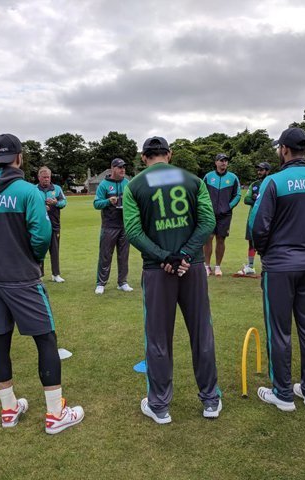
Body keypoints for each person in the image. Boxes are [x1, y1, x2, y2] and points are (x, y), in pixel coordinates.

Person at [0, 133, 83, 432]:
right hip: (22, 278)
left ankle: (9, 409)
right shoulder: (29, 192)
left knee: (0, 340)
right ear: (18, 157)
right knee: (46, 340)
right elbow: (41, 235)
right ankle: (55, 414)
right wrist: (30, 258)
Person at [123, 136, 221, 424]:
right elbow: (208, 222)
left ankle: (160, 406)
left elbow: (133, 231)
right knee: (202, 333)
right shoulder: (193, 180)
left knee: (158, 338)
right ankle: (210, 400)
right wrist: (186, 255)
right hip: (192, 267)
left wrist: (166, 257)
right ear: (170, 154)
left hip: (158, 270)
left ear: (144, 157)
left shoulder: (134, 185)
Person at [249, 127, 305, 411]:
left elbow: (258, 226)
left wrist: (267, 252)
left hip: (279, 265)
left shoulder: (273, 181)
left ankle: (283, 393)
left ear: (284, 149)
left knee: (279, 330)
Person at [93, 158, 133, 294]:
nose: (122, 170)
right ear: (112, 169)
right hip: (109, 225)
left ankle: (123, 282)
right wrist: (108, 201)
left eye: (124, 167)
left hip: (124, 225)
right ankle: (101, 283)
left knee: (124, 255)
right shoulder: (104, 185)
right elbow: (96, 204)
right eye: (120, 167)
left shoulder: (127, 183)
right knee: (105, 255)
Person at [203, 153, 241, 276]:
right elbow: (202, 193)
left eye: (225, 160)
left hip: (225, 215)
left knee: (221, 239)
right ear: (216, 162)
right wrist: (206, 207)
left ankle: (218, 267)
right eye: (221, 160)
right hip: (209, 214)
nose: (224, 162)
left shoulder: (233, 177)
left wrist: (228, 207)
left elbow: (238, 195)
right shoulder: (208, 177)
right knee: (208, 238)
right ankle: (207, 266)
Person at [236, 162, 270, 276]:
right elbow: (246, 199)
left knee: (267, 243)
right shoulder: (254, 184)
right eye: (258, 170)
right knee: (251, 242)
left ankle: (267, 266)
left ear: (267, 171)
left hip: (267, 218)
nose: (259, 172)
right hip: (253, 217)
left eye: (262, 170)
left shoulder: (271, 182)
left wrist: (257, 198)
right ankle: (250, 266)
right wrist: (259, 200)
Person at [37, 166, 67, 283]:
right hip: (39, 225)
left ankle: (56, 274)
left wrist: (56, 203)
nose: (46, 179)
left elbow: (64, 202)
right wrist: (41, 207)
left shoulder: (57, 189)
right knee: (39, 250)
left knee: (55, 250)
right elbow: (30, 205)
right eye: (44, 177)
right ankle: (39, 275)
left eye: (48, 177)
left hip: (54, 224)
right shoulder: (34, 189)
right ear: (39, 177)